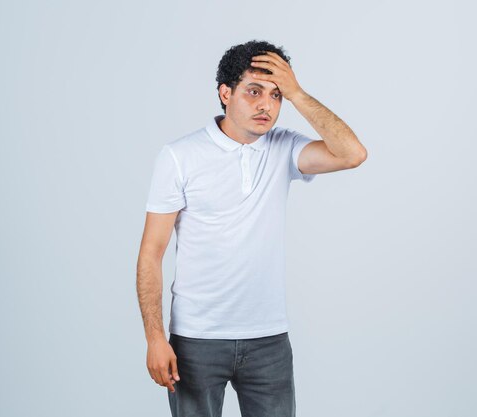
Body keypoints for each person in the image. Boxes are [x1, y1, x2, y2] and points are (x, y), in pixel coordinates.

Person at [136, 40, 367, 417]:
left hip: (269, 341)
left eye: (276, 95)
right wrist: (155, 338)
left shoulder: (283, 148)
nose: (266, 105)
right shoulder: (180, 156)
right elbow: (151, 253)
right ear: (225, 93)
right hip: (197, 340)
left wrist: (298, 93)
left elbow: (352, 154)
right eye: (254, 91)